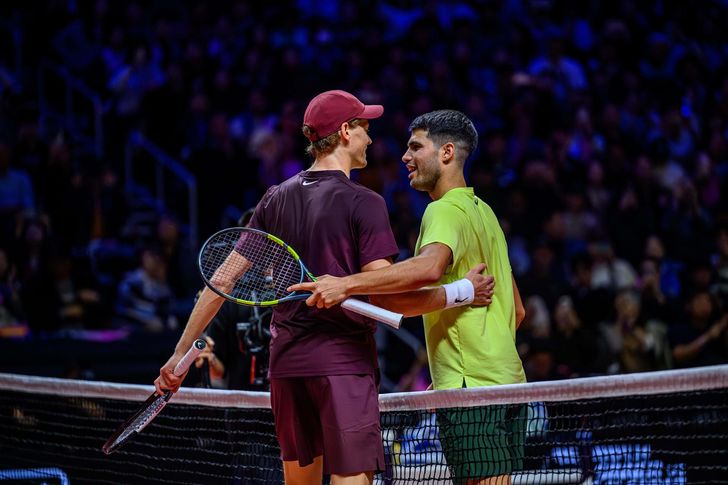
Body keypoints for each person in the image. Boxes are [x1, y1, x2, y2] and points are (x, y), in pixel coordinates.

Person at [154, 92, 494, 485]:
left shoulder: (274, 197)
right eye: (365, 127)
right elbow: (391, 294)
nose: (370, 138)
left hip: (286, 368)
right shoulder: (364, 202)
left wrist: (178, 354)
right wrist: (461, 292)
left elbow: (219, 283)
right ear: (346, 131)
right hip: (342, 367)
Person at [291, 110, 527, 485]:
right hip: (512, 384)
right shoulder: (486, 213)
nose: (405, 156)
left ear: (447, 152)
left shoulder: (443, 210)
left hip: (471, 392)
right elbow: (515, 309)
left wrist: (346, 284)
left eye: (416, 147)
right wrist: (457, 362)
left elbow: (429, 268)